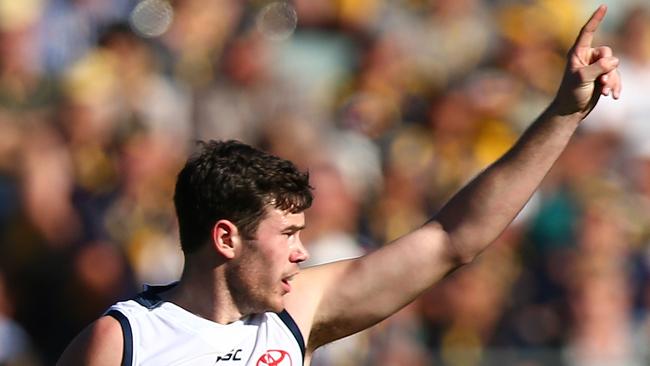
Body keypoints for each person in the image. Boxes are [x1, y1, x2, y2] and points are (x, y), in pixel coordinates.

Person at [57, 5, 622, 365]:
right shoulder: (124, 341)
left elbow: (454, 238)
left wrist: (563, 115)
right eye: (288, 233)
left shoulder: (295, 314)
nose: (304, 251)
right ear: (227, 238)